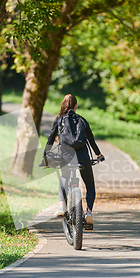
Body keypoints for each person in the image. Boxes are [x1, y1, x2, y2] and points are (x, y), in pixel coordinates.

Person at [43, 94, 104, 231]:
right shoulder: (83, 120)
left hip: (65, 157)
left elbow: (50, 140)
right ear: (76, 106)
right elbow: (91, 141)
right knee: (90, 186)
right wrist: (99, 155)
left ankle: (61, 206)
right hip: (83, 158)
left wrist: (45, 158)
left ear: (63, 105)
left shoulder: (59, 120)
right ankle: (88, 212)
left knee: (64, 178)